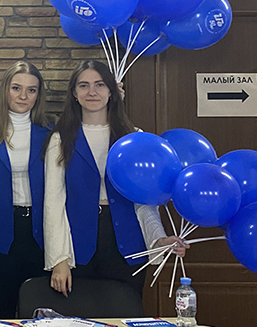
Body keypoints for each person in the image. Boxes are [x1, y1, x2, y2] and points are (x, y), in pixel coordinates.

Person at [44, 60, 186, 301]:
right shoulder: (60, 139)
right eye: (84, 85)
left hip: (127, 247)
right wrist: (59, 260)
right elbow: (53, 203)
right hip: (77, 248)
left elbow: (144, 202)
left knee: (126, 314)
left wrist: (159, 238)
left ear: (112, 91)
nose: (92, 92)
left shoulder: (134, 137)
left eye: (100, 84)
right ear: (74, 93)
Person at [0, 61, 51, 319]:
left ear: (38, 95)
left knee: (40, 316)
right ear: (5, 90)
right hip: (0, 234)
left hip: (40, 233)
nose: (23, 96)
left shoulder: (50, 133)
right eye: (16, 88)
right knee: (2, 314)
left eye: (31, 90)